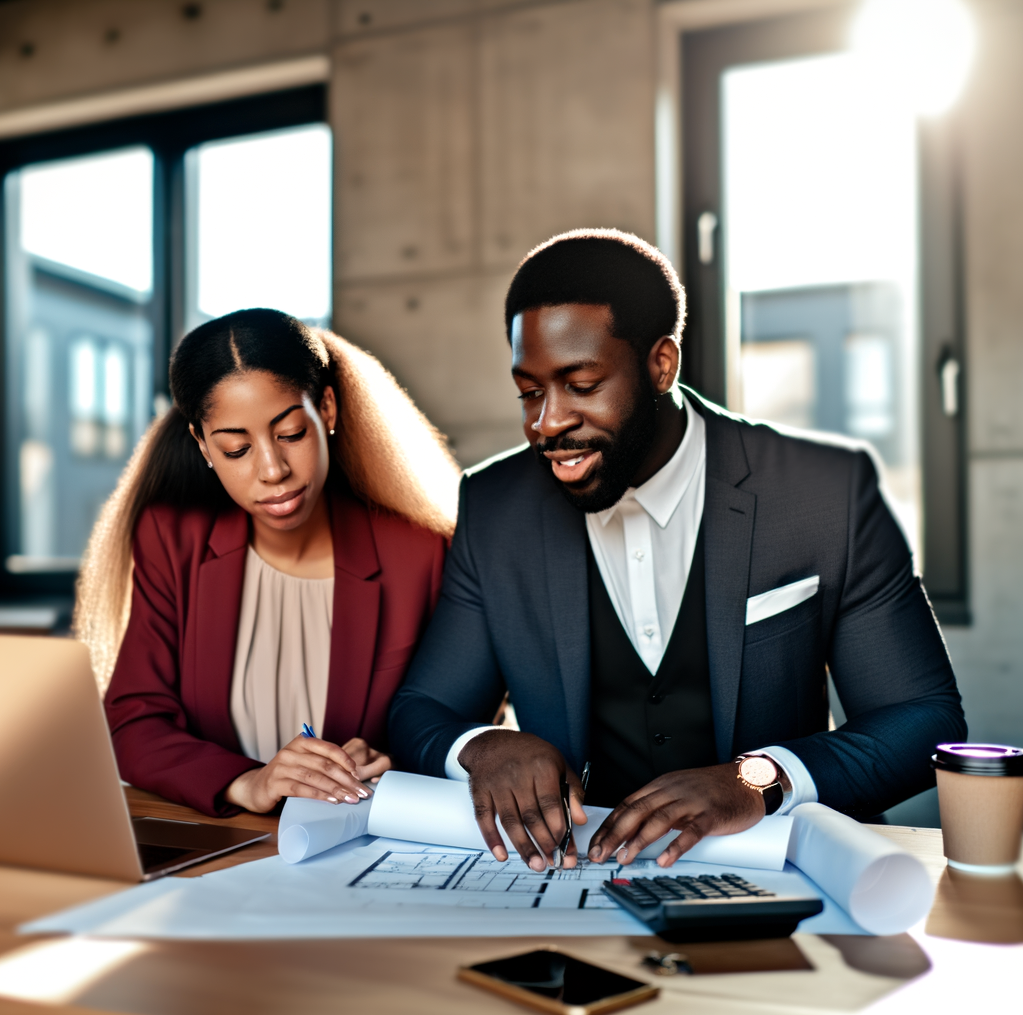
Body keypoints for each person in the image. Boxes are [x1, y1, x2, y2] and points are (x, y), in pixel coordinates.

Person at [388, 230, 965, 872]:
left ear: (661, 364)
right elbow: (423, 711)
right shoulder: (497, 507)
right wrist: (483, 746)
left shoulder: (822, 493)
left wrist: (759, 780)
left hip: (779, 872)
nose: (546, 422)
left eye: (580, 384)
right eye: (530, 392)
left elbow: (923, 721)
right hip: (579, 879)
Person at [80, 308, 459, 817]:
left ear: (326, 409)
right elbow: (134, 722)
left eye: (291, 434)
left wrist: (398, 762)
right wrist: (249, 783)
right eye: (237, 450)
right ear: (203, 445)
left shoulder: (419, 553)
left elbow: (463, 726)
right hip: (229, 848)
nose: (273, 471)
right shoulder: (173, 540)